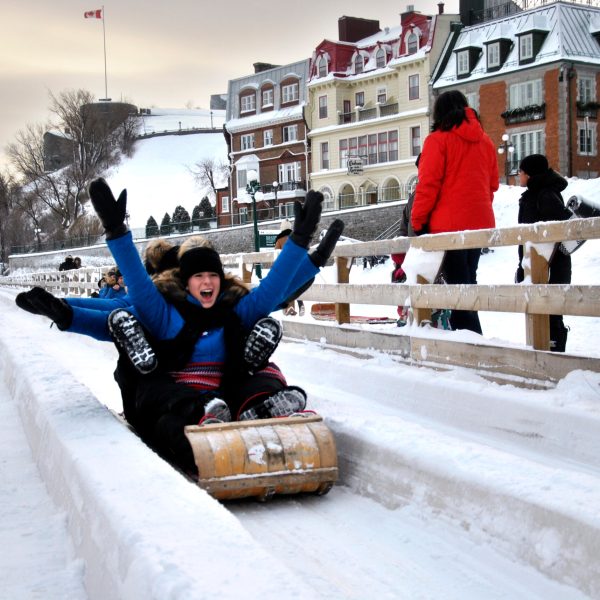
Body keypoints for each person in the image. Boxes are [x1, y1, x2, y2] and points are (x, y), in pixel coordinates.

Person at [78, 178, 343, 474]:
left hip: (225, 392)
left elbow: (274, 288)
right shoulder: (167, 313)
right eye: (198, 276)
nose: (207, 281)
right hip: (182, 398)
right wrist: (117, 233)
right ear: (186, 283)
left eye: (212, 275)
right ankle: (202, 423)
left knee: (261, 374)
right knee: (165, 412)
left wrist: (300, 240)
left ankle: (260, 408)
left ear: (220, 278)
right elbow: (138, 286)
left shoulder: (233, 310)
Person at [411, 90, 499, 334]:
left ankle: (471, 345)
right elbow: (492, 185)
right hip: (479, 225)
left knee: (458, 290)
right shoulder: (485, 141)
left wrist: (418, 222)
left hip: (448, 228)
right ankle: (473, 340)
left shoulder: (438, 140)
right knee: (468, 282)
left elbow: (428, 185)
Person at [515, 154, 571, 352]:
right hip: (538, 265)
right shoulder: (538, 194)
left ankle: (553, 354)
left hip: (550, 267)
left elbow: (557, 232)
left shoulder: (545, 195)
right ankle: (544, 353)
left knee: (551, 313)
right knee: (541, 313)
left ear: (529, 175)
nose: (518, 175)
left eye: (520, 172)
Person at [274, 219, 305, 317]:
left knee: (288, 287)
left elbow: (276, 254)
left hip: (285, 267)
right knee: (298, 285)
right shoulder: (296, 237)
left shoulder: (280, 239)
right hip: (297, 264)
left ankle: (289, 308)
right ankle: (300, 304)